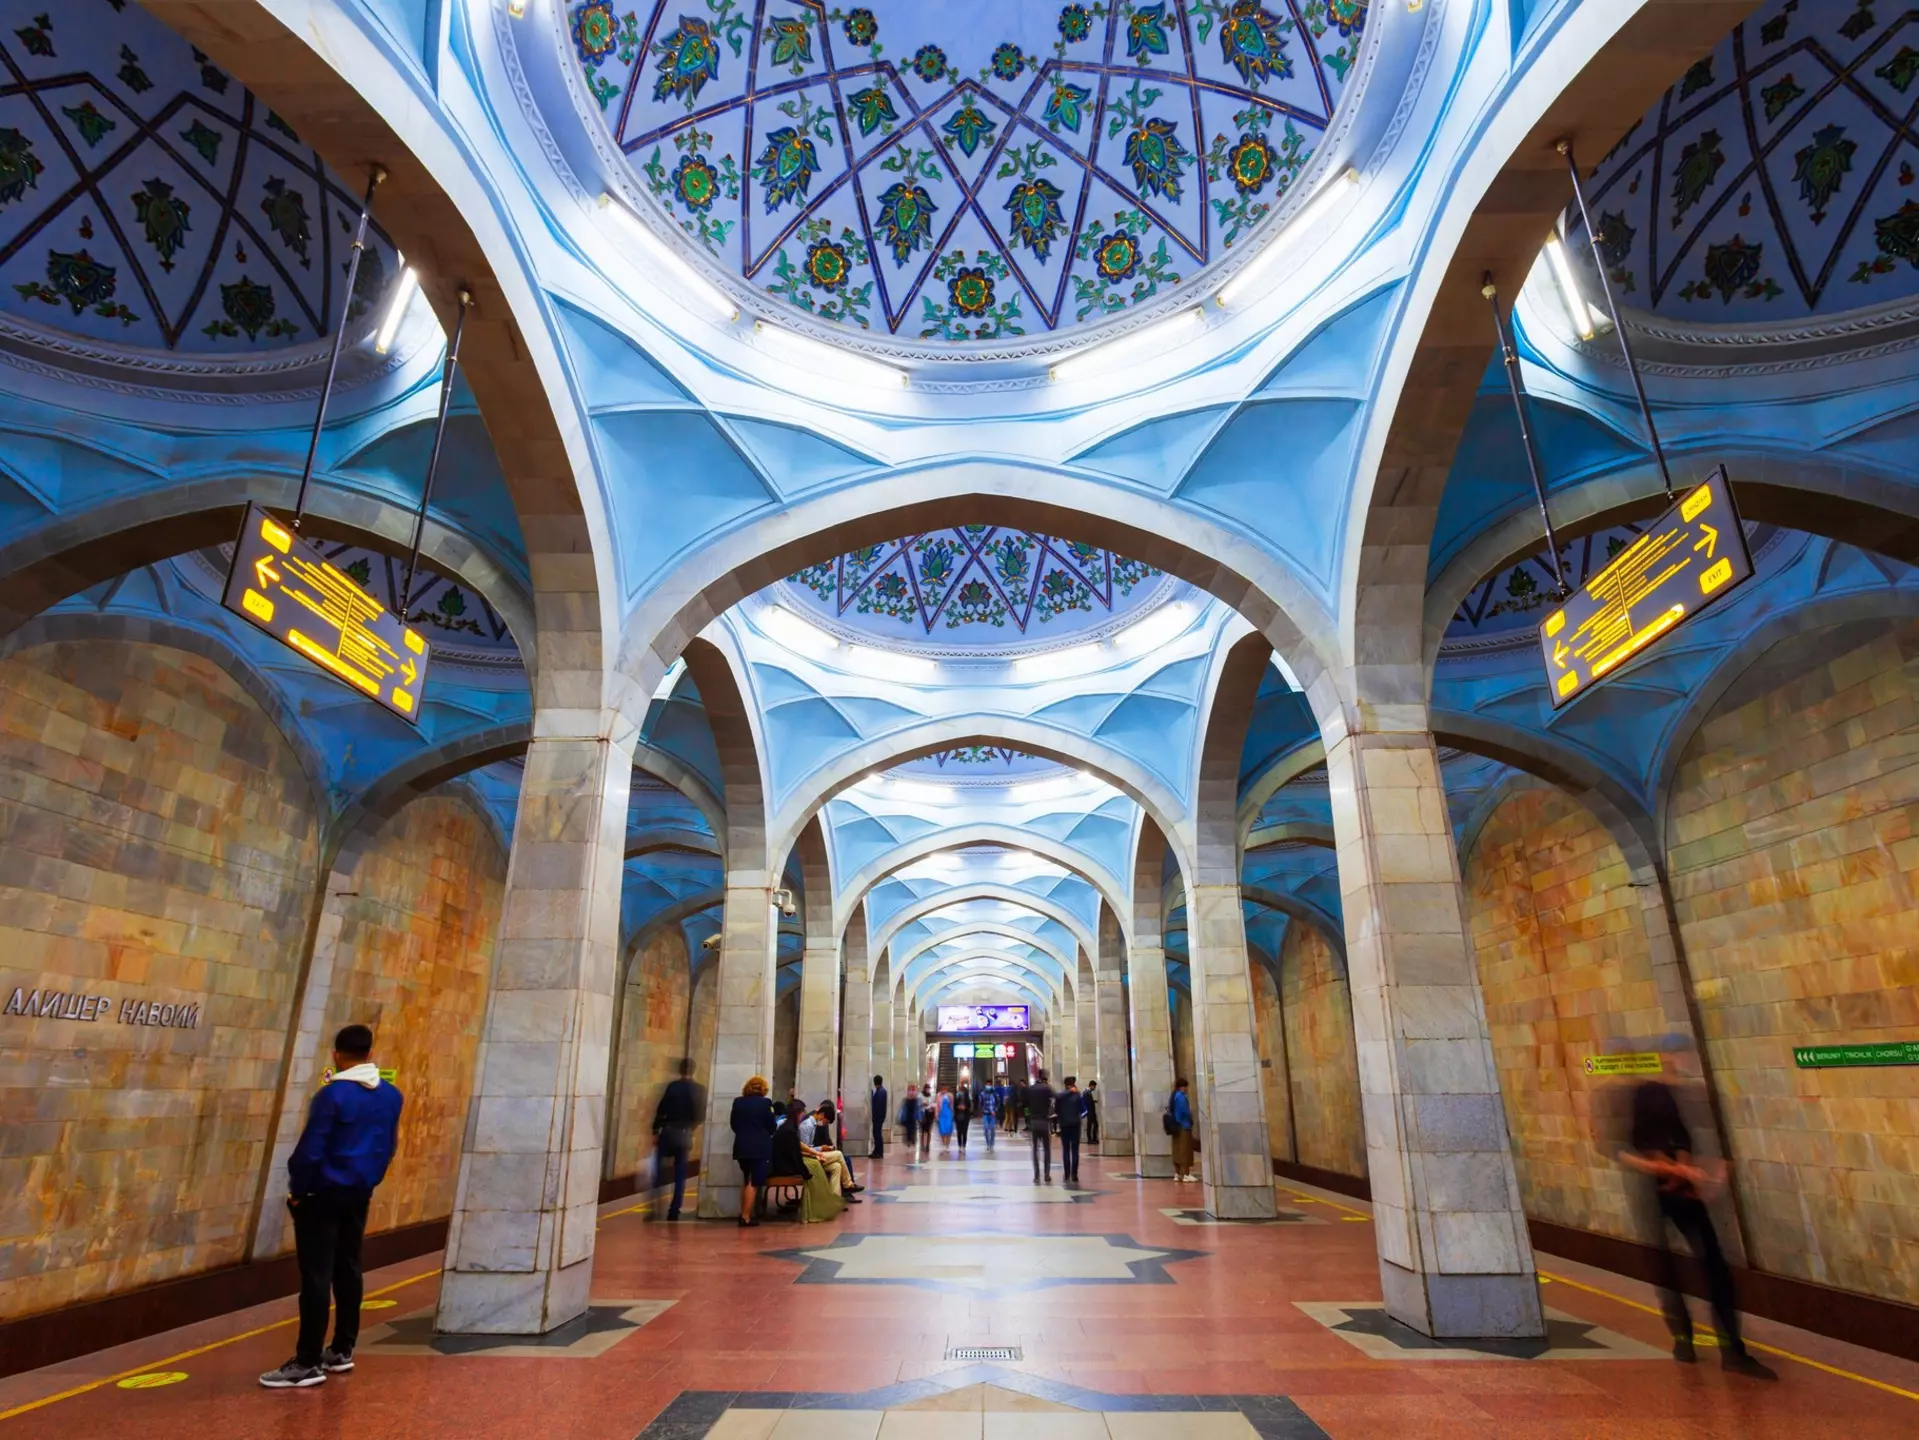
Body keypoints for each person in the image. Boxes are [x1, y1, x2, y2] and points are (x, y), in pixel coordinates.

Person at [259, 1025, 403, 1389]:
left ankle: (307, 1361)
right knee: (349, 1268)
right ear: (370, 1054)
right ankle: (341, 1349)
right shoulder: (391, 1096)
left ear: (337, 1055)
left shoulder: (333, 1096)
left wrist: (298, 1190)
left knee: (316, 1276)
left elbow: (310, 1151)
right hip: (359, 1192)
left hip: (321, 1195)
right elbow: (388, 1146)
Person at [1617, 1078, 1776, 1378]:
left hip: (1675, 1199)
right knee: (1688, 1272)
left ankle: (1707, 1345)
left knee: (1694, 1271)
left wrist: (1685, 1172)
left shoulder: (1658, 1111)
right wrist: (1679, 1171)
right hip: (1662, 1200)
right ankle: (1704, 1345)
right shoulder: (1648, 1109)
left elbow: (1672, 1151)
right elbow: (1641, 1156)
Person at [771, 1100, 849, 1222]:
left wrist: (816, 1152)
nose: (803, 1116)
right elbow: (798, 1149)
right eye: (801, 1114)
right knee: (837, 1155)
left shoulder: (791, 1127)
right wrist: (817, 1153)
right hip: (789, 1164)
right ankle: (847, 1184)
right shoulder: (797, 1127)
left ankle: (833, 1199)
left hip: (798, 1158)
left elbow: (800, 1145)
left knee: (836, 1167)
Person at [650, 1057, 703, 1221]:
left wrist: (654, 1130)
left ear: (680, 1070)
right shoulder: (699, 1089)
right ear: (693, 1070)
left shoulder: (673, 1087)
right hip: (685, 1133)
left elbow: (661, 1109)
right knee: (680, 1173)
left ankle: (655, 1209)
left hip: (668, 1131)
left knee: (657, 1171)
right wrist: (691, 1128)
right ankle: (674, 1210)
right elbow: (699, 1114)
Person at [729, 1074, 779, 1227]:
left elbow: (734, 1124)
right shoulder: (765, 1103)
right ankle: (746, 1217)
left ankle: (744, 1212)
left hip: (741, 1146)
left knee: (746, 1179)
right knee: (754, 1182)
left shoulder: (738, 1102)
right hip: (759, 1147)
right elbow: (772, 1125)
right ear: (763, 1089)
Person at [1026, 1069, 1056, 1184]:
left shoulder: (1031, 1088)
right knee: (1046, 1149)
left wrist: (1028, 1118)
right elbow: (1056, 1098)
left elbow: (1026, 1104)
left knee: (1035, 1149)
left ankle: (1036, 1175)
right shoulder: (1047, 1088)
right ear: (1045, 1077)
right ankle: (1047, 1174)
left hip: (1034, 1122)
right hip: (1044, 1121)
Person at [1167, 1077, 1197, 1182]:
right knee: (1185, 1151)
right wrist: (1191, 1120)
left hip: (1175, 1127)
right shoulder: (1181, 1098)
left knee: (1177, 1151)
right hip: (1183, 1127)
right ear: (1182, 1087)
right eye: (1185, 1087)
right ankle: (1186, 1174)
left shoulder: (1173, 1096)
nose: (1186, 1089)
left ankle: (1177, 1173)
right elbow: (1186, 1112)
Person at [1058, 1075, 1083, 1185]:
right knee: (1075, 1150)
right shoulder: (1077, 1095)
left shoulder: (1060, 1096)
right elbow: (1083, 1111)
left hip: (1064, 1125)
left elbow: (1056, 1110)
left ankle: (1067, 1173)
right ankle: (1074, 1175)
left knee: (1066, 1150)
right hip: (1075, 1125)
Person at [898, 1083, 923, 1163]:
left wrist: (920, 1117)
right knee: (908, 1132)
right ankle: (908, 1145)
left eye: (913, 1090)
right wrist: (900, 1117)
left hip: (913, 1118)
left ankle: (912, 1143)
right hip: (907, 1118)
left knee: (913, 1131)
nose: (912, 1092)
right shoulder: (906, 1100)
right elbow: (902, 1109)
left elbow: (919, 1109)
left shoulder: (917, 1100)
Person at [869, 1074, 888, 1160]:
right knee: (876, 1134)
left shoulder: (880, 1092)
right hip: (879, 1116)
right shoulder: (881, 1091)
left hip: (878, 1117)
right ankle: (877, 1151)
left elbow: (878, 1106)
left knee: (877, 1134)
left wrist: (875, 1116)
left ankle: (878, 1152)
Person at [979, 1080, 999, 1151]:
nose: (988, 1086)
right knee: (986, 1129)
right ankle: (988, 1144)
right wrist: (981, 1110)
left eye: (989, 1085)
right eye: (987, 1084)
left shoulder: (995, 1094)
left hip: (992, 1114)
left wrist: (995, 1110)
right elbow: (980, 1103)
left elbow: (998, 1102)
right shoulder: (982, 1094)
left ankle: (992, 1144)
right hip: (985, 1114)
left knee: (992, 1130)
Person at [954, 1080, 973, 1151]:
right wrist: (957, 1107)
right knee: (959, 1131)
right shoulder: (956, 1096)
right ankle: (959, 1145)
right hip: (958, 1116)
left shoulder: (968, 1097)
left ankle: (964, 1146)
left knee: (964, 1131)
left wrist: (965, 1107)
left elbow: (970, 1106)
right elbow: (954, 1105)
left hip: (965, 1116)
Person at [919, 1083, 936, 1159]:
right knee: (922, 1131)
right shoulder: (920, 1095)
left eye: (929, 1088)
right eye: (927, 1088)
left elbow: (934, 1104)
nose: (928, 1090)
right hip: (922, 1114)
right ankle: (922, 1145)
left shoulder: (932, 1096)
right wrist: (922, 1104)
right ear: (924, 1089)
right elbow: (918, 1104)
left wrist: (932, 1107)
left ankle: (928, 1146)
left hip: (930, 1114)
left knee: (929, 1130)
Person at [1083, 1080, 1100, 1146]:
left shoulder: (1088, 1092)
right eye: (1094, 1086)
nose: (1095, 1088)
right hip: (1090, 1112)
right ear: (1091, 1085)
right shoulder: (1086, 1092)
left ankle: (1093, 1139)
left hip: (1091, 1111)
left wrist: (1093, 1101)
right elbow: (1087, 1103)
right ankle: (1090, 1139)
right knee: (1091, 1125)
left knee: (1092, 1125)